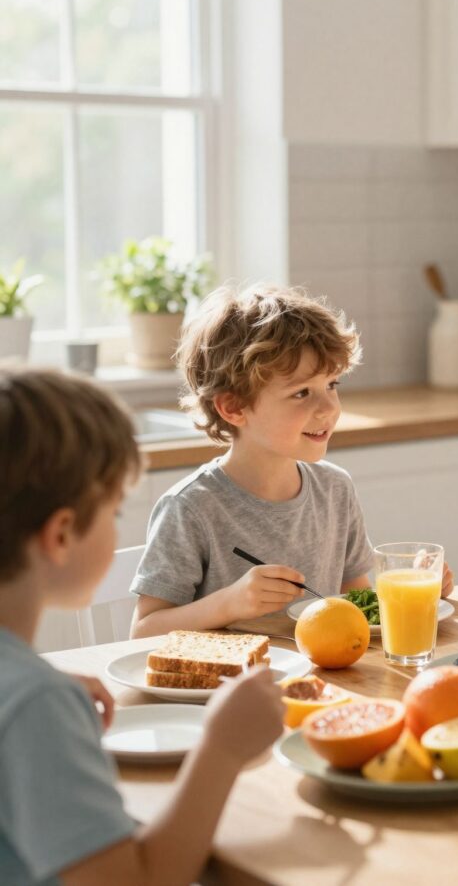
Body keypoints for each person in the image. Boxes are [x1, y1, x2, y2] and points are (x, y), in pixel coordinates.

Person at [0, 366, 283, 885]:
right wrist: (221, 748)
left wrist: (41, 693)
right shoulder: (35, 704)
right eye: (113, 512)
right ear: (61, 534)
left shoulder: (26, 690)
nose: (117, 527)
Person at [131, 285, 453, 637]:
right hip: (234, 688)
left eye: (332, 385)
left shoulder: (335, 489)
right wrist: (230, 603)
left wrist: (413, 593)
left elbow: (357, 602)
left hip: (326, 681)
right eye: (302, 393)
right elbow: (144, 631)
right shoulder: (191, 508)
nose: (329, 408)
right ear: (234, 407)